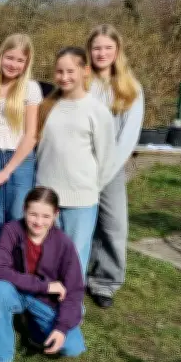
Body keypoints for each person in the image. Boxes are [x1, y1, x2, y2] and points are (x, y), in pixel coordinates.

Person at [0, 187, 86, 362]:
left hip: (44, 301)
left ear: (56, 214)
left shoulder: (64, 243)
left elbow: (74, 290)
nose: (39, 222)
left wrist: (62, 327)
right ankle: (0, 355)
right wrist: (46, 286)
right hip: (14, 290)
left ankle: (35, 330)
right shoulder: (11, 230)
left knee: (73, 347)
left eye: (46, 216)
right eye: (33, 214)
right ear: (24, 209)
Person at [36, 47, 116, 278]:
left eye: (70, 71)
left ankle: (71, 311)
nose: (64, 77)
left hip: (80, 200)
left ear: (85, 71)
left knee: (73, 260)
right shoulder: (47, 106)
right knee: (46, 259)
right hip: (46, 196)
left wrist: (90, 189)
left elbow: (107, 159)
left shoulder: (97, 111)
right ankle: (44, 309)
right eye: (59, 71)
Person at [85, 24, 144, 309]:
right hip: (79, 164)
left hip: (111, 169)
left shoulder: (130, 88)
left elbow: (128, 137)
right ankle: (74, 273)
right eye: (97, 48)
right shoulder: (81, 82)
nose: (102, 53)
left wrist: (105, 172)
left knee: (114, 225)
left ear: (117, 51)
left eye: (108, 48)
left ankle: (105, 281)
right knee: (79, 223)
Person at [0, 33, 41, 267]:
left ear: (26, 64)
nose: (13, 64)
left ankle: (17, 277)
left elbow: (31, 134)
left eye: (20, 61)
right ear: (0, 56)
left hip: (19, 162)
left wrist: (8, 170)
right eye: (9, 58)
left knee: (18, 221)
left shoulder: (30, 89)